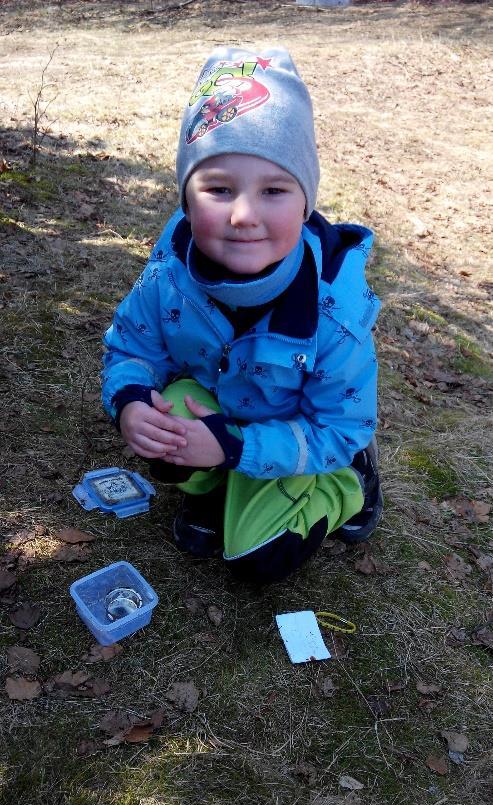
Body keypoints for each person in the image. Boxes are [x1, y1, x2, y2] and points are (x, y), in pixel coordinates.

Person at [102, 47, 383, 584]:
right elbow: (130, 350)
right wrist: (131, 401)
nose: (244, 215)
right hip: (221, 412)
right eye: (218, 189)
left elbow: (339, 426)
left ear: (305, 206)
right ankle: (213, 486)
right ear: (185, 200)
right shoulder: (167, 275)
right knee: (167, 441)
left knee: (259, 561)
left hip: (295, 436)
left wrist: (234, 446)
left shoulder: (334, 316)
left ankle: (348, 483)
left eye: (274, 191)